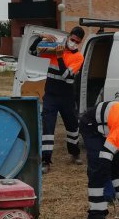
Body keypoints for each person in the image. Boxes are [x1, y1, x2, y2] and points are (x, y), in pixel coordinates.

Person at [30, 26, 85, 173]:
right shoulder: (54, 49)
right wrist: (42, 37)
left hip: (67, 98)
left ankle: (75, 153)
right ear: (68, 37)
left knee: (72, 127)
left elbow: (66, 75)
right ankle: (46, 161)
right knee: (48, 128)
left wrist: (60, 57)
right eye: (72, 39)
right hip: (51, 97)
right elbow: (33, 51)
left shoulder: (78, 57)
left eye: (77, 42)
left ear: (80, 43)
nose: (73, 43)